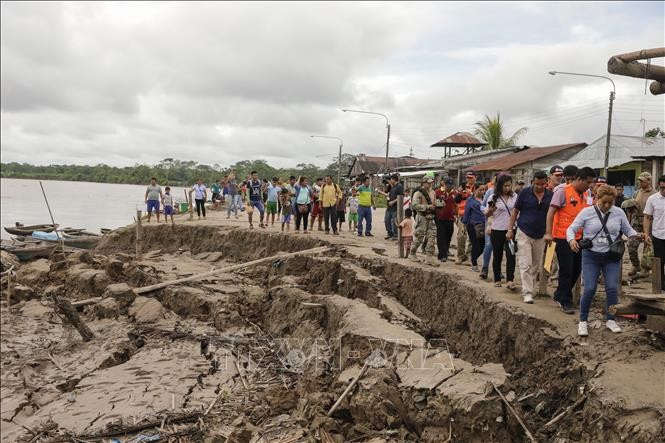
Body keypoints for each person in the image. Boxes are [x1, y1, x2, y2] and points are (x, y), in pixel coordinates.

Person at [567, 184, 641, 336]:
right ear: (596, 199)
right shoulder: (586, 212)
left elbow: (628, 230)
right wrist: (571, 240)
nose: (607, 205)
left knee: (612, 288)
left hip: (611, 256)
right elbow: (571, 228)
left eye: (610, 202)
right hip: (591, 256)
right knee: (589, 288)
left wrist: (638, 235)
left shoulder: (618, 212)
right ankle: (583, 321)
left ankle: (611, 319)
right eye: (604, 202)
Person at [545, 166, 596, 314]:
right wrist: (548, 233)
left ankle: (560, 294)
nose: (589, 185)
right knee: (566, 269)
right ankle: (564, 300)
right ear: (579, 179)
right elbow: (550, 212)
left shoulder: (586, 194)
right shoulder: (562, 192)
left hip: (579, 237)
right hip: (562, 237)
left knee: (577, 268)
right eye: (587, 182)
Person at [507, 170, 553, 303]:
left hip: (541, 234)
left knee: (535, 264)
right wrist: (510, 229)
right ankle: (527, 292)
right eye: (537, 184)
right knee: (525, 263)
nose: (539, 187)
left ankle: (530, 288)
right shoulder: (524, 193)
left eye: (542, 184)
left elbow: (553, 215)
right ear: (532, 182)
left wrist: (550, 232)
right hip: (524, 232)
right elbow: (515, 211)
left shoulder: (551, 195)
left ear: (546, 183)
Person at [484, 174, 517, 289]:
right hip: (497, 229)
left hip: (511, 230)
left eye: (509, 185)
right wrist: (490, 211)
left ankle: (510, 280)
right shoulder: (493, 197)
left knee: (511, 254)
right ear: (499, 186)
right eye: (505, 186)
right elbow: (487, 214)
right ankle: (497, 278)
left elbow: (517, 211)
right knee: (497, 254)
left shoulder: (515, 197)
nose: (507, 188)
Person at [628, 172, 657, 277]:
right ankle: (635, 266)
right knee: (631, 245)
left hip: (650, 223)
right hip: (636, 223)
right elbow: (632, 209)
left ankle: (645, 269)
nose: (640, 182)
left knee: (648, 247)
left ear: (648, 181)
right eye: (639, 180)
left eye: (642, 181)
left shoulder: (655, 194)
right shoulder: (636, 193)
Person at [644, 175, 665, 291]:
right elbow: (647, 217)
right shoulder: (653, 199)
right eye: (662, 188)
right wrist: (646, 234)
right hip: (658, 235)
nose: (664, 191)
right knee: (659, 262)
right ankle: (660, 286)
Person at [411, 176, 438, 265]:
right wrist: (426, 207)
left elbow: (434, 203)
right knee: (419, 237)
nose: (430, 184)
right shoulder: (418, 193)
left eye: (431, 182)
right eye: (428, 182)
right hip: (421, 217)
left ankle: (429, 257)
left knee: (431, 237)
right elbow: (414, 206)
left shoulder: (433, 192)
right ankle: (413, 252)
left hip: (431, 217)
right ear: (423, 183)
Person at [462, 186, 486, 272]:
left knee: (483, 245)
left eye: (483, 190)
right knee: (475, 244)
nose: (482, 191)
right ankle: (474, 265)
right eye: (480, 190)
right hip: (472, 225)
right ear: (475, 190)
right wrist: (464, 223)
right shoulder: (470, 200)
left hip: (483, 225)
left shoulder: (485, 200)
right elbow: (466, 212)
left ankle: (473, 258)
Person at [454, 172, 477, 264]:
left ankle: (468, 257)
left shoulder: (477, 187)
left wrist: (471, 193)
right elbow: (456, 200)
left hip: (473, 215)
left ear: (475, 178)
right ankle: (460, 256)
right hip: (462, 215)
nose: (469, 179)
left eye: (471, 178)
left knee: (472, 238)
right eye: (468, 178)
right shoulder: (462, 187)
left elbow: (480, 199)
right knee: (460, 236)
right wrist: (459, 193)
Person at [434, 177, 457, 262]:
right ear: (444, 184)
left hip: (450, 218)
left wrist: (456, 216)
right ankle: (442, 255)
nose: (449, 187)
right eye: (448, 185)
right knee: (441, 237)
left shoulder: (455, 193)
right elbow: (434, 202)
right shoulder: (438, 192)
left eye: (451, 185)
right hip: (440, 218)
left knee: (448, 236)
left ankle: (445, 251)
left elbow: (456, 205)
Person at [384, 174, 404, 240]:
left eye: (391, 179)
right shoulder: (393, 187)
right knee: (386, 220)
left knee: (394, 222)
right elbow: (390, 195)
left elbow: (401, 197)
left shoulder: (399, 186)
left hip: (395, 208)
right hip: (389, 207)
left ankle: (395, 235)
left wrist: (393, 202)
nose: (390, 181)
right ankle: (390, 233)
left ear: (393, 179)